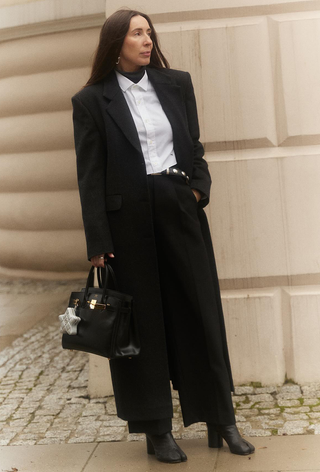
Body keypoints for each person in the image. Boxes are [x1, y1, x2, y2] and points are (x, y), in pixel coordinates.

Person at [72, 9, 255, 464]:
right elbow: (90, 175)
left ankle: (221, 419)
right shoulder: (92, 100)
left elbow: (194, 147)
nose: (147, 40)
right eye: (137, 34)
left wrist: (195, 191)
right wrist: (97, 241)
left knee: (199, 311)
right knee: (143, 324)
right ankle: (155, 428)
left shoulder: (176, 84)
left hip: (178, 206)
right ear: (116, 43)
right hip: (126, 224)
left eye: (149, 33)